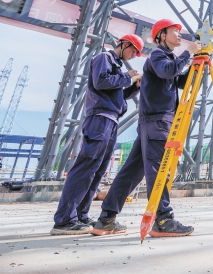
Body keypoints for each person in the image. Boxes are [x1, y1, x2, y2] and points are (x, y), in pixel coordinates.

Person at [92, 19, 201, 237]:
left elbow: (180, 81)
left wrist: (197, 65)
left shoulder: (169, 59)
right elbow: (168, 71)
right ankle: (163, 219)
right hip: (157, 122)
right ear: (162, 35)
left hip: (151, 123)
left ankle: (106, 219)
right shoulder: (158, 55)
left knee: (130, 173)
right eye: (175, 31)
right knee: (159, 171)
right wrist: (188, 52)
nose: (180, 35)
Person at [50, 34, 144, 235]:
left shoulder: (116, 67)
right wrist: (128, 77)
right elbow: (101, 82)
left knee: (98, 170)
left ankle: (80, 215)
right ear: (124, 44)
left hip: (111, 120)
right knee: (87, 166)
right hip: (99, 118)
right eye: (133, 51)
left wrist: (134, 88)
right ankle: (64, 220)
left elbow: (117, 94)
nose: (133, 55)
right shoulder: (104, 58)